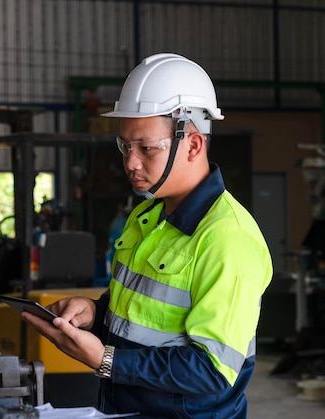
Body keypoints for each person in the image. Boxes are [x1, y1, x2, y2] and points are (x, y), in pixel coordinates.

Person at [20, 53, 273, 418]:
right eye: (125, 146)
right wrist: (95, 313)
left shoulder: (227, 238)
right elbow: (143, 314)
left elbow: (213, 371)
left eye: (147, 148)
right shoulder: (147, 214)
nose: (130, 163)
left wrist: (106, 360)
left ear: (194, 144)